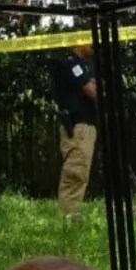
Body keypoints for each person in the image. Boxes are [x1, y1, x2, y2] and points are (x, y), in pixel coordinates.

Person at [50, 44, 98, 220]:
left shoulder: (83, 65)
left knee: (80, 173)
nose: (92, 44)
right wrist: (93, 82)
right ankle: (67, 218)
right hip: (77, 128)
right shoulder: (71, 64)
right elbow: (93, 91)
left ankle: (72, 215)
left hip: (85, 127)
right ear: (77, 41)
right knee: (75, 172)